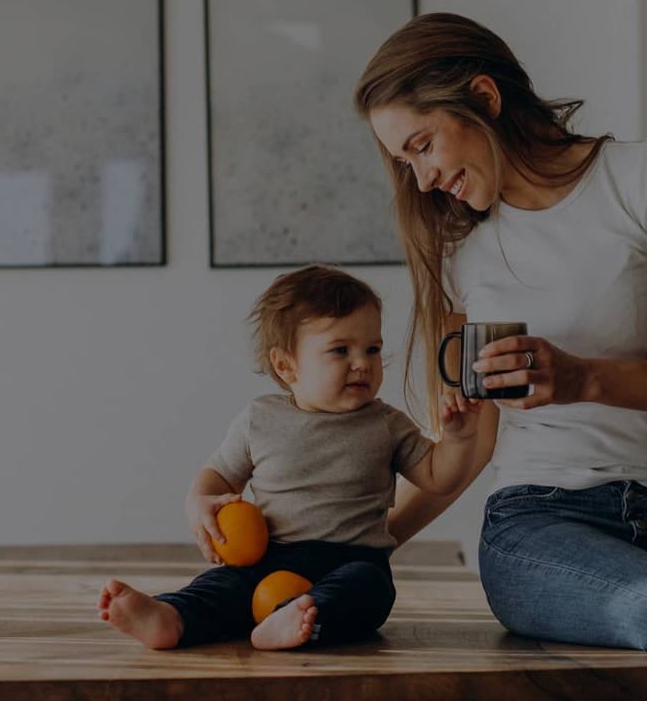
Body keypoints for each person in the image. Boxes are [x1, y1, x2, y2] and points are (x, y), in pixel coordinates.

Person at [354, 13, 647, 700]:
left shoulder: (646, 177)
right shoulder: (466, 251)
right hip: (541, 524)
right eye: (406, 161)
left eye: (423, 144)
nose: (424, 178)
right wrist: (363, 543)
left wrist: (582, 378)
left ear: (485, 99)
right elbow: (470, 447)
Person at [97, 265, 481, 651]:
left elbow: (439, 476)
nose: (362, 362)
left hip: (352, 559)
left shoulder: (386, 424)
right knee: (222, 585)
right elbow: (218, 476)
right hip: (268, 559)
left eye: (373, 349)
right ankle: (170, 617)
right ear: (286, 365)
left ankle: (295, 618)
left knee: (370, 589)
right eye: (340, 350)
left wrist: (459, 437)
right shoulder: (260, 420)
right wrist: (199, 504)